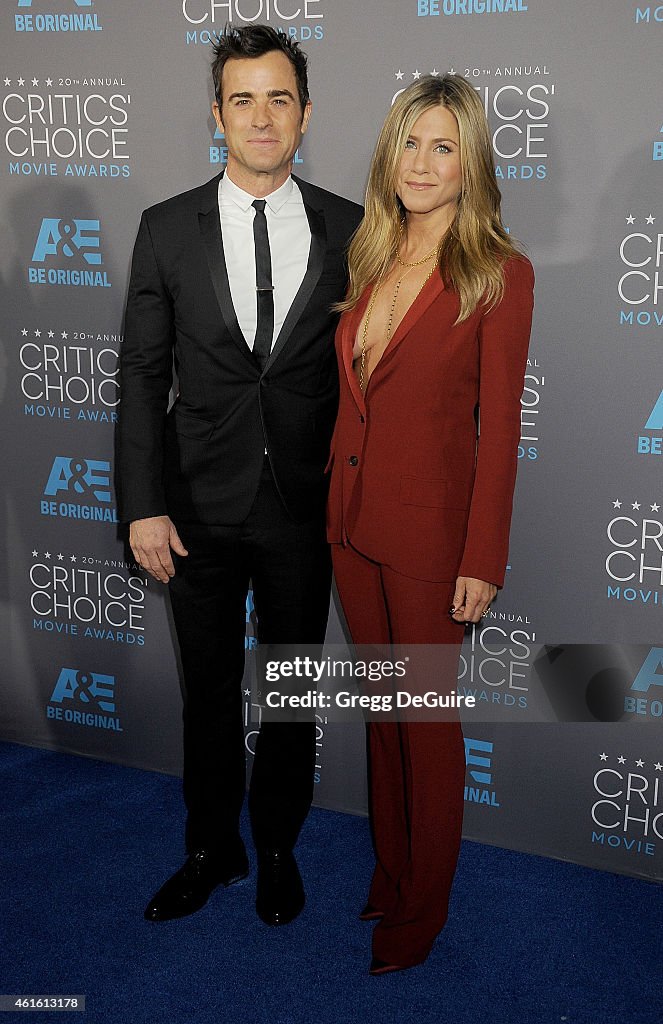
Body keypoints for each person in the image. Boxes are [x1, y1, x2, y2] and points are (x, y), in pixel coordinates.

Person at [117, 25, 362, 927]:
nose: (262, 117)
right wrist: (141, 505)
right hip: (194, 507)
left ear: (305, 114)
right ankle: (210, 848)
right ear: (216, 115)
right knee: (210, 691)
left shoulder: (352, 226)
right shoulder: (164, 226)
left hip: (305, 507)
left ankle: (279, 847)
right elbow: (142, 374)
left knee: (291, 689)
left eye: (279, 98)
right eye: (243, 100)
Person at [326, 74, 534, 974]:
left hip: (428, 541)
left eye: (442, 146)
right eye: (411, 142)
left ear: (469, 163)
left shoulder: (497, 270)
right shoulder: (368, 255)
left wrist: (482, 555)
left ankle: (422, 910)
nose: (421, 162)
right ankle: (391, 870)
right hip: (348, 523)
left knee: (425, 724)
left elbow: (498, 431)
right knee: (383, 714)